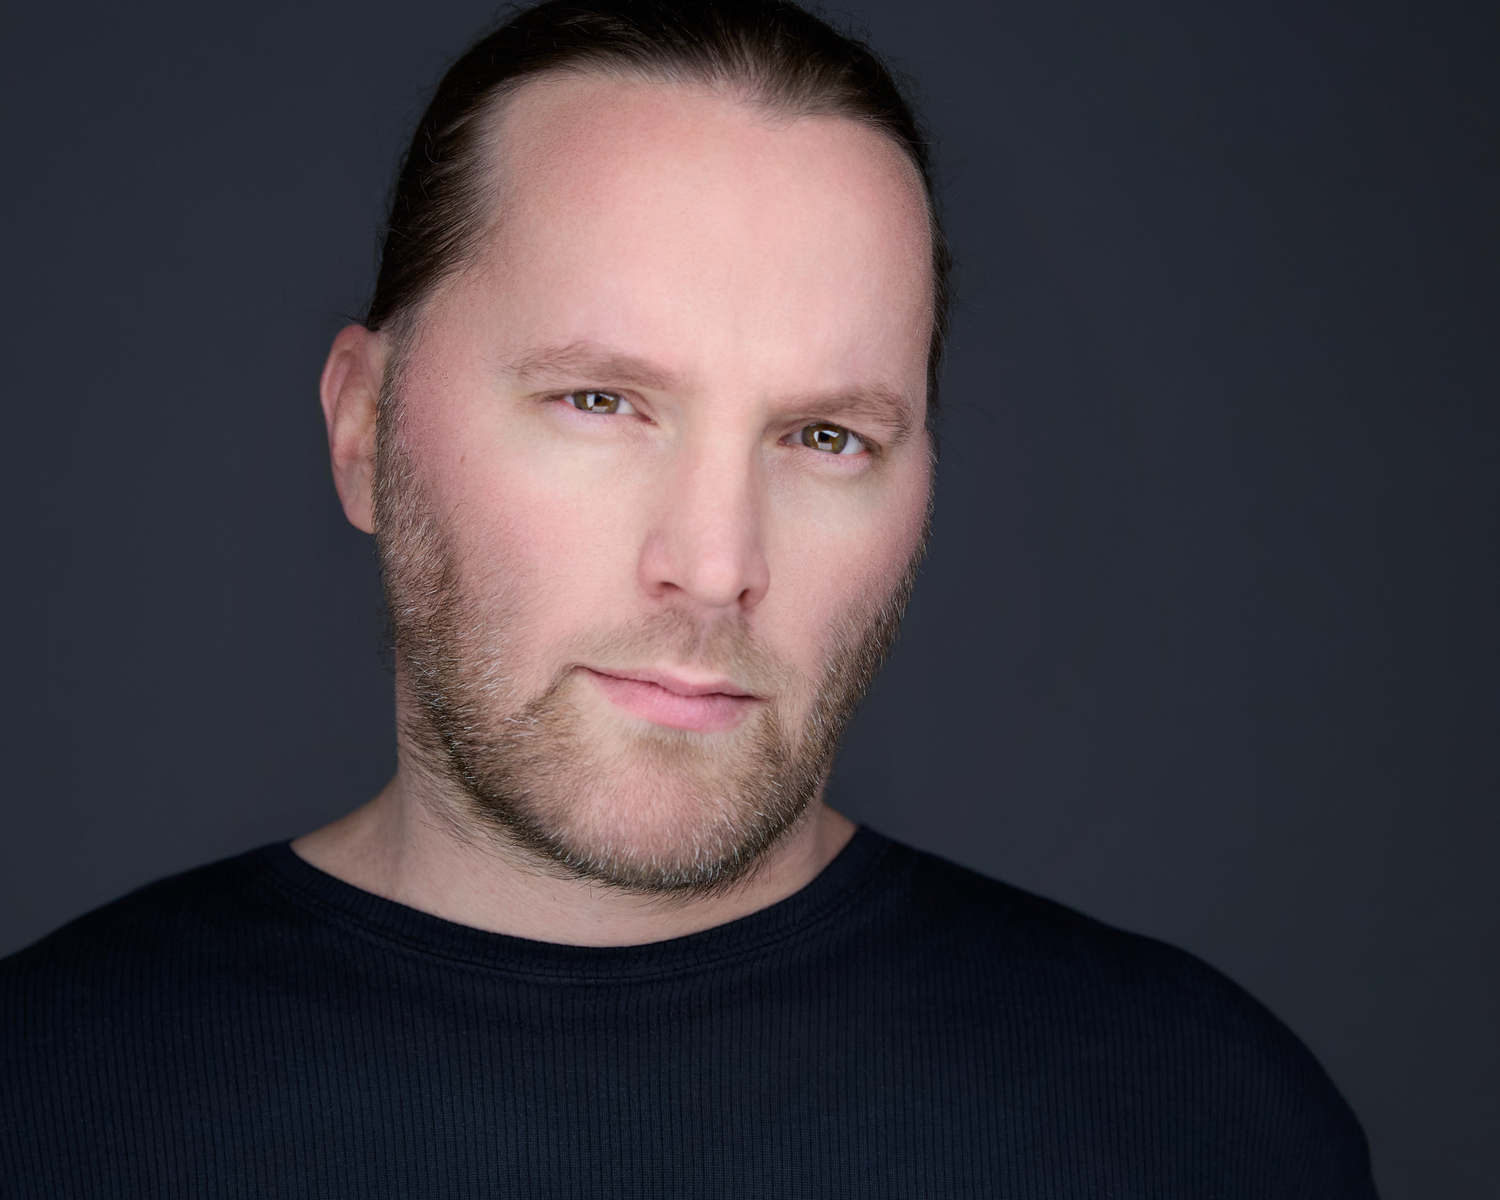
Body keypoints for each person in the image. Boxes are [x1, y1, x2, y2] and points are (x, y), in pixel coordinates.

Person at [0, 1, 1377, 1194]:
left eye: (826, 437)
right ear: (364, 429)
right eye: (601, 402)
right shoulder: (48, 1100)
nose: (716, 565)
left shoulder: (1196, 1122)